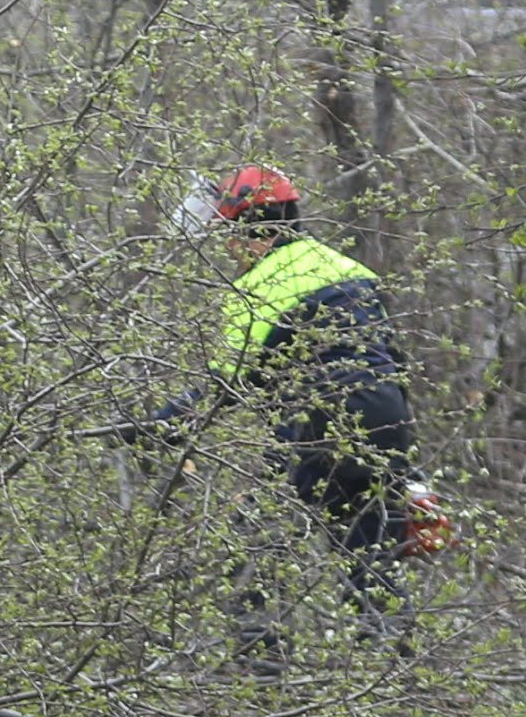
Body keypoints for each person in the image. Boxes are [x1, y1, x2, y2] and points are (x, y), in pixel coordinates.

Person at [173, 164, 418, 658]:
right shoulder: (349, 270)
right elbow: (395, 364)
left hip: (320, 417)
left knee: (254, 538)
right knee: (372, 555)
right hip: (386, 418)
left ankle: (261, 675)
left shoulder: (258, 287)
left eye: (230, 234)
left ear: (252, 230)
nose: (228, 248)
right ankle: (392, 676)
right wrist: (412, 471)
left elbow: (227, 383)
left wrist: (165, 420)